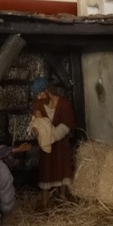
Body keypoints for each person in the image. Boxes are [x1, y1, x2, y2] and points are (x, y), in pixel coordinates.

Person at [29, 77, 76, 209]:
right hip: (46, 145)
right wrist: (36, 129)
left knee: (63, 167)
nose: (38, 97)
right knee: (46, 168)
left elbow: (68, 122)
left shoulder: (64, 105)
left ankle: (63, 196)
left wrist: (54, 135)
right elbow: (35, 122)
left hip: (61, 143)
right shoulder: (38, 104)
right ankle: (45, 200)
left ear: (47, 90)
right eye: (37, 95)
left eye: (40, 93)